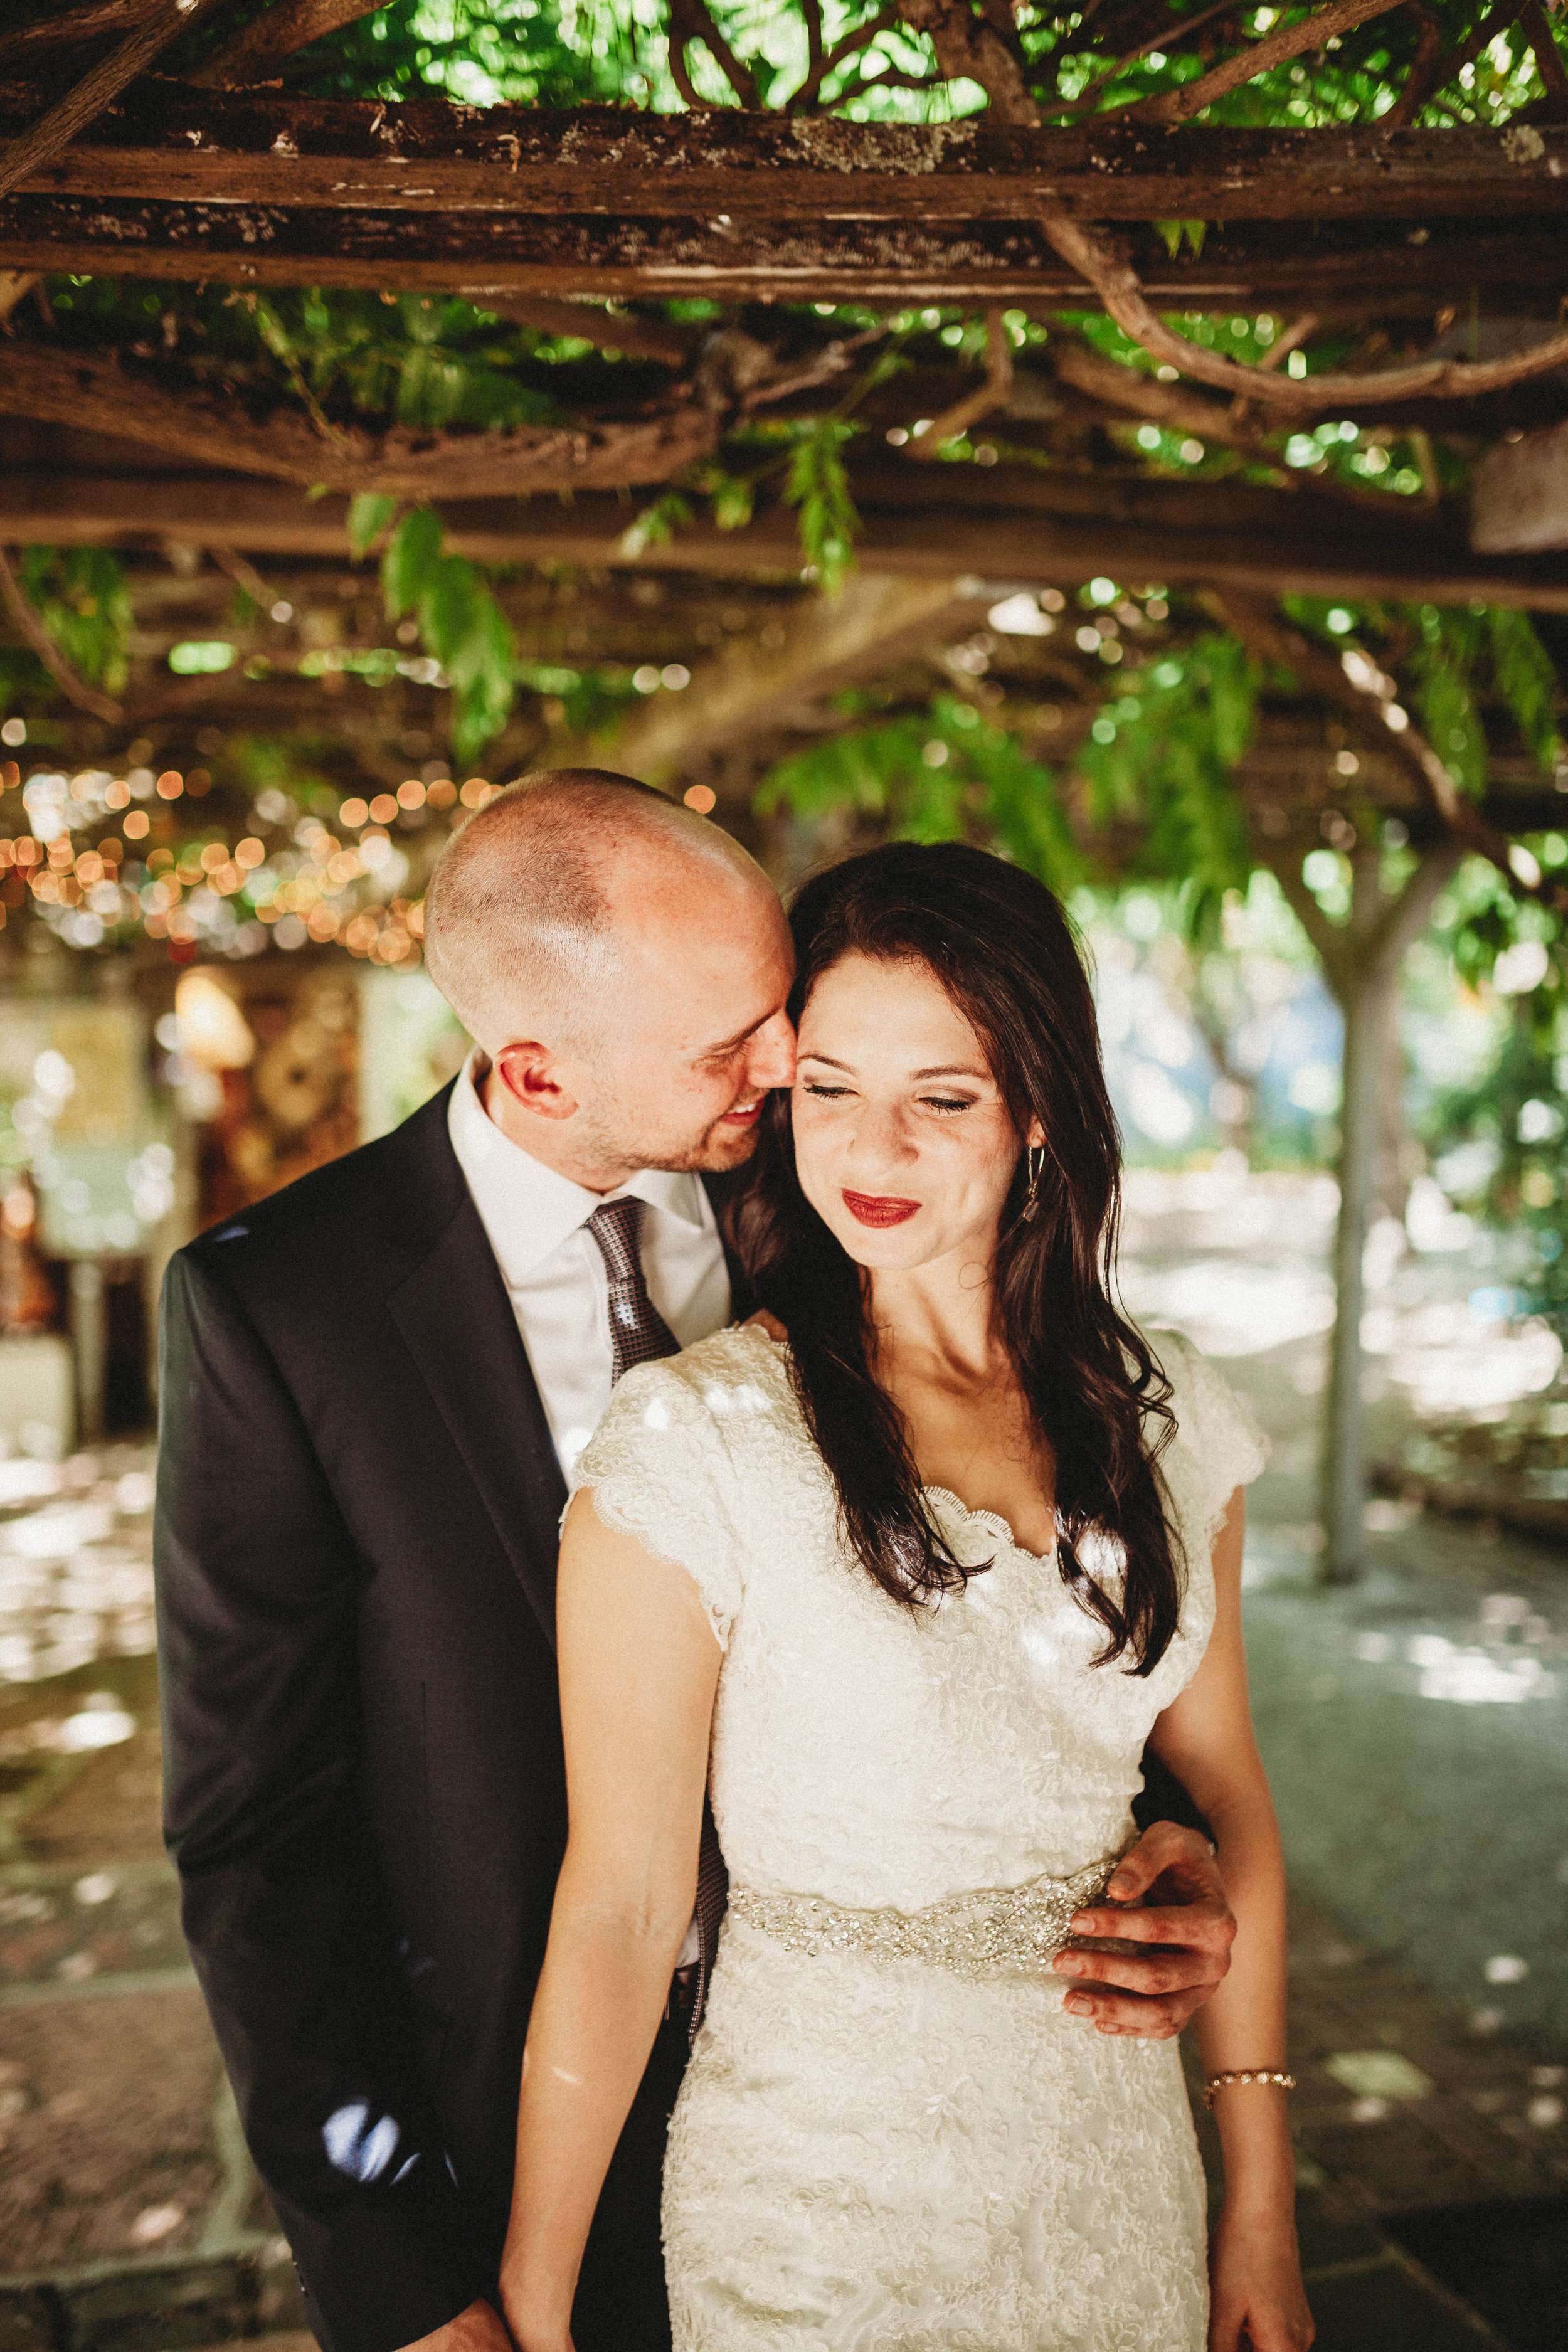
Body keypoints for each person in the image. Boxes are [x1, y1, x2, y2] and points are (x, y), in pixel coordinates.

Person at [154, 775, 1239, 2352]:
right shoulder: (281, 1310)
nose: (790, 1064)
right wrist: (393, 2264)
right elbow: (258, 1830)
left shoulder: (822, 1191)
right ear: (535, 1066)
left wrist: (1163, 1845)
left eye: (775, 1010)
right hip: (514, 2120)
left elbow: (1005, 1585)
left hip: (907, 2101)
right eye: (734, 1043)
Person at [500, 839, 1314, 2352]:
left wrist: (1255, 2202)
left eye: (940, 1100)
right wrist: (536, 2312)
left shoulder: (1174, 1418)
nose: (870, 1152)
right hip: (810, 2204)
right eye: (828, 1088)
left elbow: (1230, 1799)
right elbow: (618, 1902)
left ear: (1041, 1117)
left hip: (1111, 2171)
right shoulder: (697, 1441)